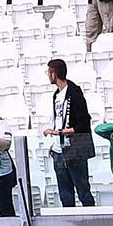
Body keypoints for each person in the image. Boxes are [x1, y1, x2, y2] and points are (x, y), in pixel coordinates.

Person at [43, 57, 93, 207]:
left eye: (49, 72)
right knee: (65, 193)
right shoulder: (56, 95)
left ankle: (92, 223)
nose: (48, 75)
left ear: (54, 74)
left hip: (74, 148)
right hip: (59, 149)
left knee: (83, 190)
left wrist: (60, 132)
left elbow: (84, 123)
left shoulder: (74, 93)